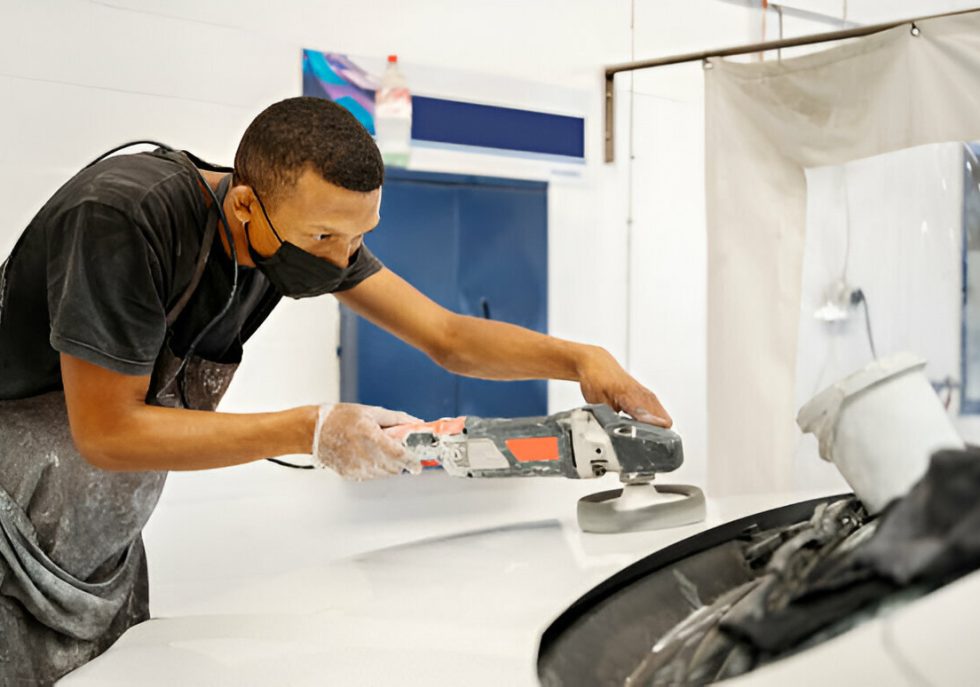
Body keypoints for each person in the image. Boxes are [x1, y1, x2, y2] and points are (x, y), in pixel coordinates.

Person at [0, 96, 671, 684]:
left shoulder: (298, 235)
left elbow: (447, 335)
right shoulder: (124, 216)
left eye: (359, 236)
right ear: (244, 204)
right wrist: (312, 429)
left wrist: (582, 358)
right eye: (323, 235)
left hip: (99, 546)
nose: (340, 258)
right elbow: (108, 432)